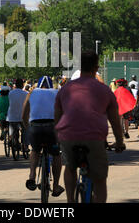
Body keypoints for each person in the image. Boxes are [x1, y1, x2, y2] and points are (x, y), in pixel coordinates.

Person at [54, 51, 125, 203]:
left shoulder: (66, 89)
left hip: (68, 136)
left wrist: (57, 137)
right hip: (94, 138)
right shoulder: (104, 90)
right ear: (96, 67)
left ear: (80, 67)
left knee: (70, 167)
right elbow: (115, 121)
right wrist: (119, 141)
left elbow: (57, 116)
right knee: (99, 179)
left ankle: (70, 201)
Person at [22, 76, 65, 198]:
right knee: (56, 154)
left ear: (39, 85)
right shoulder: (57, 93)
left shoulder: (32, 92)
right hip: (52, 127)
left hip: (35, 126)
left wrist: (27, 126)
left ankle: (32, 176)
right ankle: (56, 185)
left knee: (35, 150)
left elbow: (24, 110)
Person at [7, 78, 29, 149]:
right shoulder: (26, 94)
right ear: (22, 85)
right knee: (25, 129)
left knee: (13, 129)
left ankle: (14, 140)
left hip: (11, 116)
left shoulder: (10, 93)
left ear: (15, 85)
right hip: (22, 116)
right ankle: (25, 145)